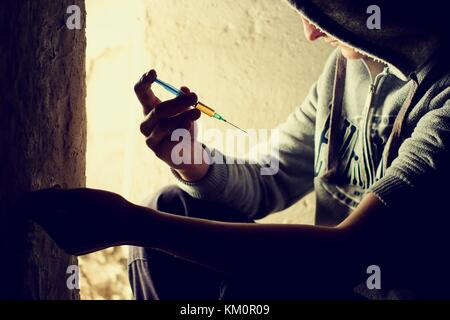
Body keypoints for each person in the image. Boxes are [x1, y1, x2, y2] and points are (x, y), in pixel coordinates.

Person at [23, 0, 450, 299]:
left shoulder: (443, 98)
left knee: (256, 285)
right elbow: (271, 179)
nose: (310, 31)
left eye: (326, 8)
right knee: (173, 203)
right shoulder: (344, 69)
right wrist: (192, 162)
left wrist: (133, 225)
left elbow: (349, 255)